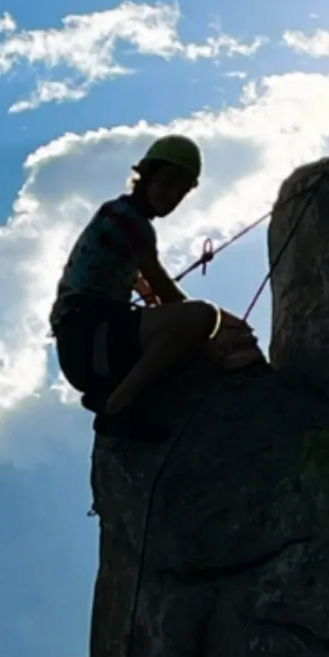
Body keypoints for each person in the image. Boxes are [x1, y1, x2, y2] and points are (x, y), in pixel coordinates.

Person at [48, 134, 261, 442]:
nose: (173, 195)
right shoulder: (129, 221)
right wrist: (219, 324)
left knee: (187, 341)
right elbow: (164, 288)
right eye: (169, 181)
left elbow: (141, 283)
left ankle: (120, 394)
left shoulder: (116, 216)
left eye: (183, 190)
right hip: (91, 337)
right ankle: (119, 405)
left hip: (88, 346)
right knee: (200, 316)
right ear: (146, 176)